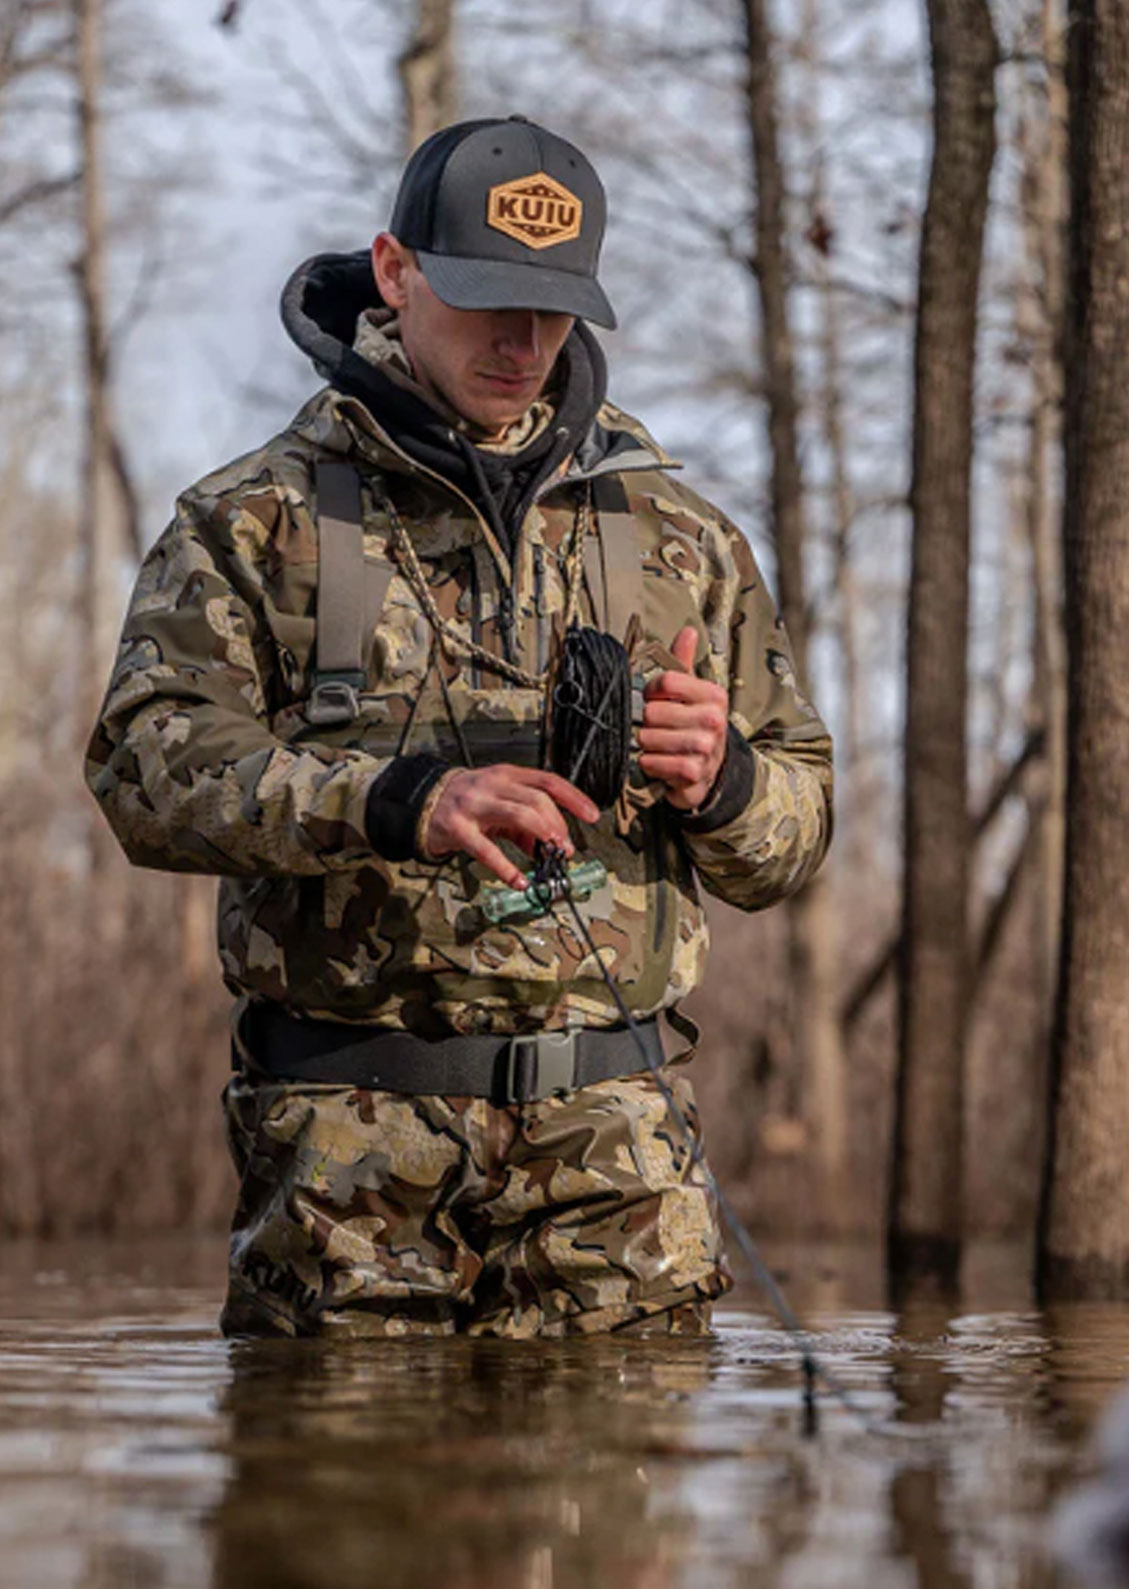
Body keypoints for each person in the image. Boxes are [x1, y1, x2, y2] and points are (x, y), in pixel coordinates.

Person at [85, 116, 832, 1338]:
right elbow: (142, 772)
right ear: (395, 271)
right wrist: (392, 800)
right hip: (347, 1178)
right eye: (487, 298)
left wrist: (730, 781)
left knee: (616, 1510)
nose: (522, 342)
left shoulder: (682, 540)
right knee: (348, 1513)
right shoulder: (252, 522)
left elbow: (797, 837)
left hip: (618, 1178)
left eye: (552, 307)